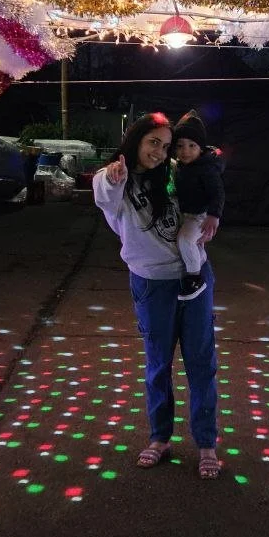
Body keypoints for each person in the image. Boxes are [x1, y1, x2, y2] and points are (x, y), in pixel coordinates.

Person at [93, 113, 221, 478]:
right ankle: (160, 437)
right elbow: (105, 191)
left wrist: (214, 213)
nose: (161, 152)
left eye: (166, 147)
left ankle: (206, 442)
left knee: (201, 363)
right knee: (158, 365)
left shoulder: (172, 174)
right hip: (152, 285)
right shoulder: (115, 180)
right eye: (154, 143)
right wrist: (112, 175)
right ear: (136, 140)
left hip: (194, 280)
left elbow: (207, 178)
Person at [172, 110, 224, 302]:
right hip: (187, 214)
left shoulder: (206, 169)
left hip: (199, 216)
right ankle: (201, 268)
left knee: (185, 241)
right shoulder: (182, 166)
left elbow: (218, 193)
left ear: (200, 148)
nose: (185, 151)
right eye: (180, 146)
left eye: (192, 146)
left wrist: (214, 215)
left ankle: (194, 278)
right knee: (195, 244)